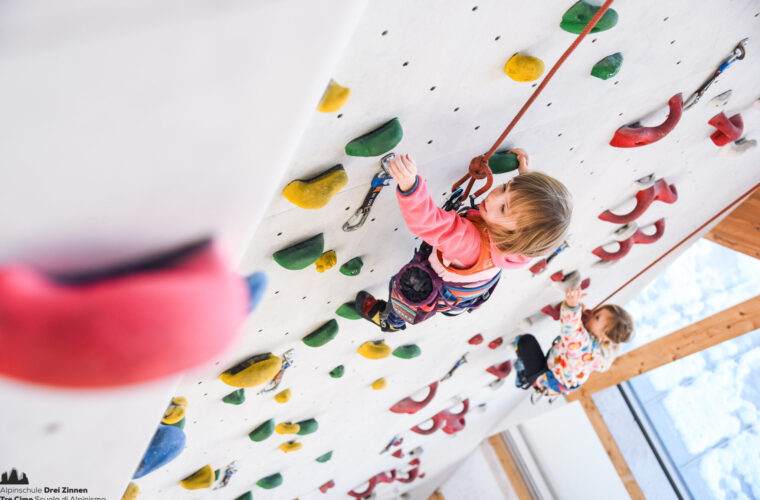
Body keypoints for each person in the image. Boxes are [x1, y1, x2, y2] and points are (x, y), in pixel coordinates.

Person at [355, 150, 572, 331]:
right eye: (506, 187)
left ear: (517, 236)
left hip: (433, 287)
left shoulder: (469, 243)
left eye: (504, 208)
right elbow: (533, 227)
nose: (495, 197)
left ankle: (390, 320)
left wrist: (409, 184)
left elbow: (427, 222)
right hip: (465, 291)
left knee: (400, 289)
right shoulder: (521, 249)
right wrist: (526, 176)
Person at [532, 286, 634, 396]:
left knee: (525, 341)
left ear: (605, 337)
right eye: (597, 312)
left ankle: (523, 377)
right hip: (560, 376)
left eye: (596, 317)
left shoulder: (585, 345)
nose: (592, 314)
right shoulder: (602, 347)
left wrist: (572, 308)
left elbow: (572, 331)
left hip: (546, 378)